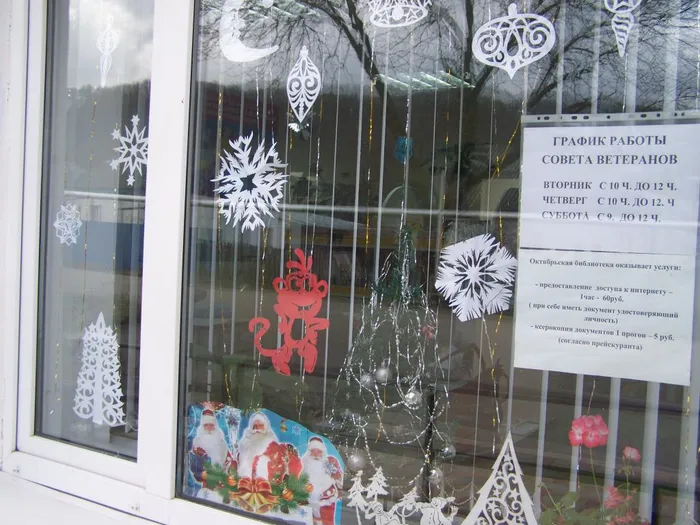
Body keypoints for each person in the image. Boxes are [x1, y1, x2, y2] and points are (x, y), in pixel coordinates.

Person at [237, 411, 301, 481]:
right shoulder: (245, 443)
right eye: (255, 426)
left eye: (260, 425)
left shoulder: (271, 443)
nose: (257, 429)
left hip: (267, 484)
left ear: (265, 427)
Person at [301, 437, 344, 525]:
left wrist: (339, 486)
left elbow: (337, 476)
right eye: (313, 451)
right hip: (307, 496)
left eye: (319, 451)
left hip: (325, 497)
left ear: (322, 452)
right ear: (310, 452)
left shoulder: (326, 462)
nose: (316, 454)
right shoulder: (305, 462)